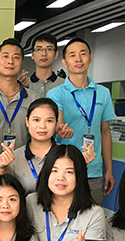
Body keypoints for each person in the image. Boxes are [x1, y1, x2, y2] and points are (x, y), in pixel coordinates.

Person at [0, 39, 71, 162]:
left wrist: (58, 129)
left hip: (25, 164)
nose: (10, 61)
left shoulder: (34, 98)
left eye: (16, 57)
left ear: (22, 62)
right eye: (5, 56)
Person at [47, 38, 116, 205]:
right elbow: (58, 122)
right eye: (72, 55)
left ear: (90, 58)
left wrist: (109, 170)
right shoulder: (55, 94)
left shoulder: (103, 93)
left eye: (83, 54)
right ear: (64, 62)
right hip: (65, 170)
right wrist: (60, 129)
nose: (78, 59)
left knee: (94, 216)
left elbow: (105, 132)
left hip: (93, 171)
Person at [7, 98, 95, 195]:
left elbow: (78, 192)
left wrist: (81, 165)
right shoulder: (14, 157)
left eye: (49, 121)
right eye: (36, 120)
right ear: (27, 121)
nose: (42, 126)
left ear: (56, 122)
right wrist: (2, 169)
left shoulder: (67, 154)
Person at [25, 33, 66, 100]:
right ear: (32, 55)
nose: (44, 54)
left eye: (49, 49)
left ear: (56, 54)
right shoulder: (25, 85)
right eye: (39, 49)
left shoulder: (64, 85)